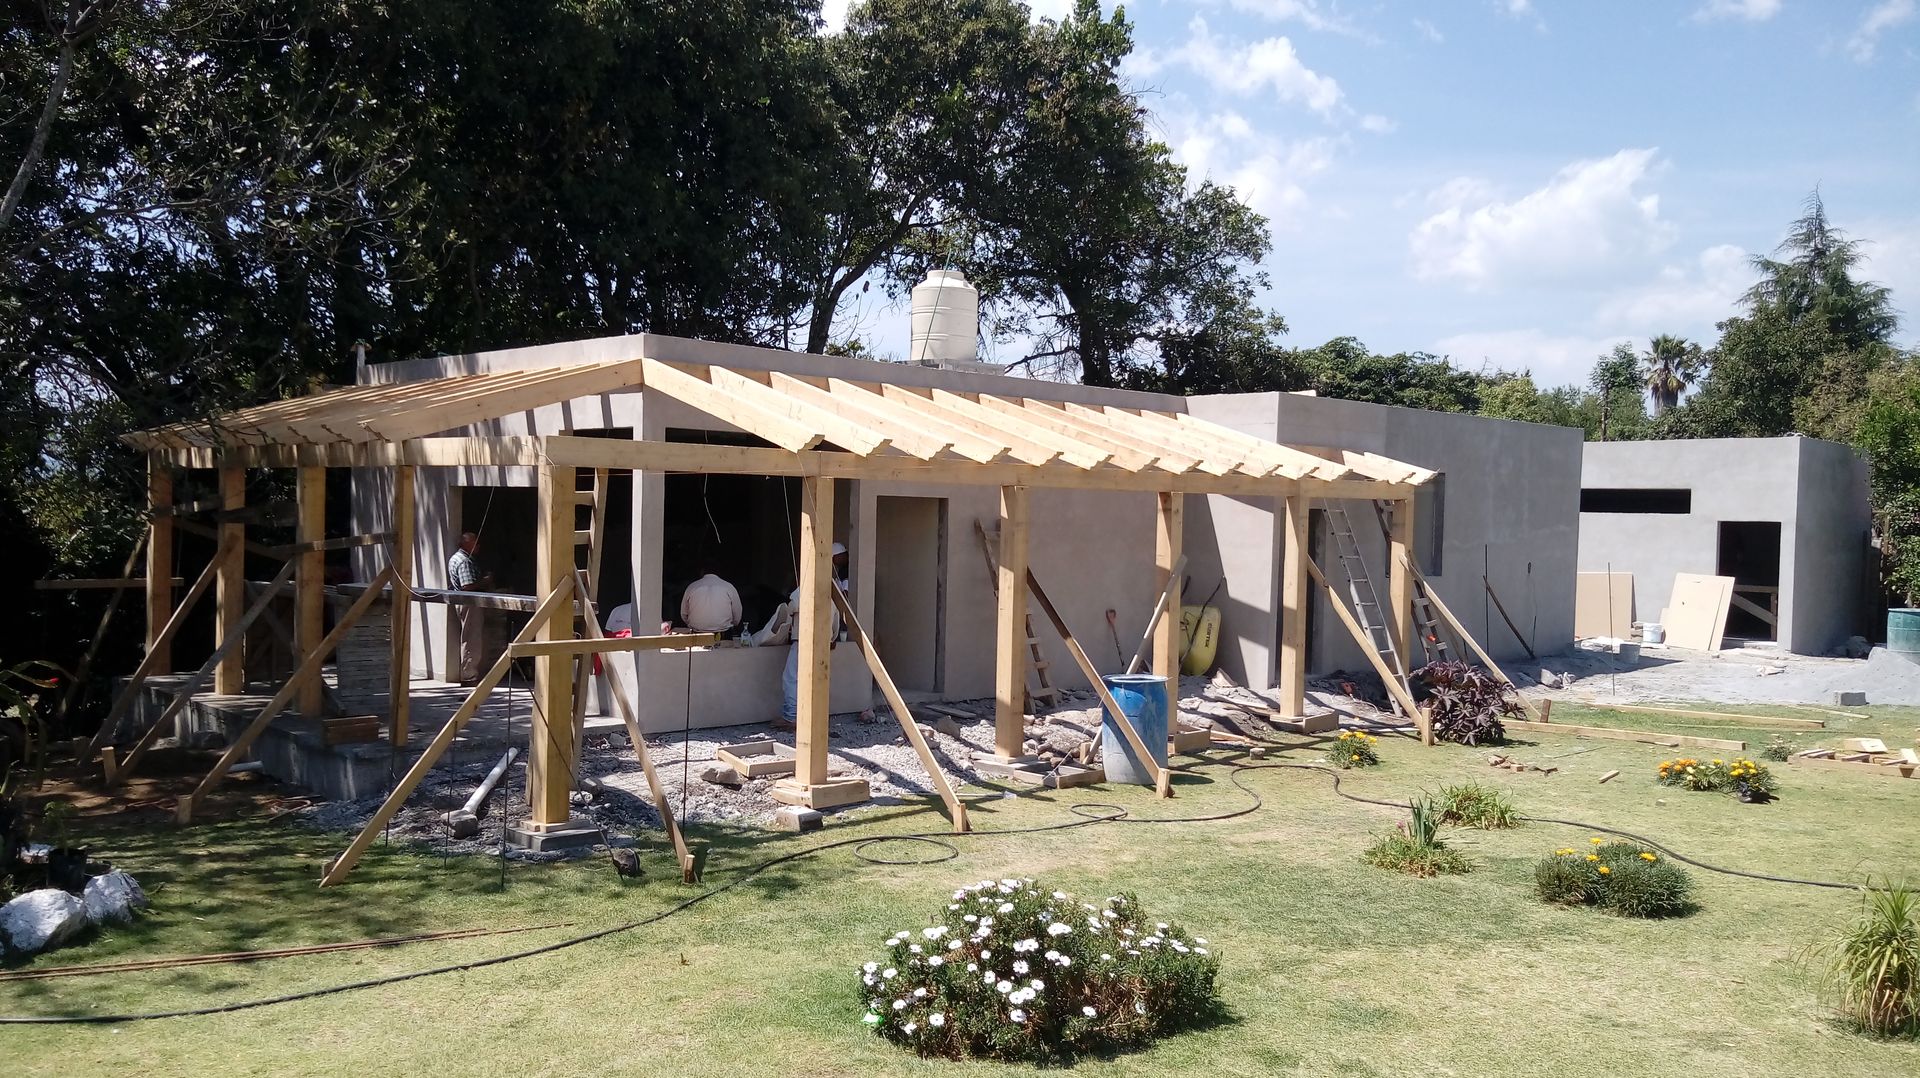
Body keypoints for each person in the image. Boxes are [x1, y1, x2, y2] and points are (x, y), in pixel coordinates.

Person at [782, 542, 848, 724]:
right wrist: (832, 638)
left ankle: (792, 717)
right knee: (818, 678)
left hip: (803, 639)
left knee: (792, 678)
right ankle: (815, 718)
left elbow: (792, 606)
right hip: (823, 641)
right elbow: (835, 617)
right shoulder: (833, 588)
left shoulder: (807, 583)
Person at [448, 531, 493, 685]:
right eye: (475, 543)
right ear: (466, 544)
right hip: (469, 603)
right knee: (471, 638)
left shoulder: (455, 558)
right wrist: (485, 581)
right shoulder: (465, 561)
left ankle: (469, 673)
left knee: (469, 636)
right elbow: (466, 586)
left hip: (463, 603)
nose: (478, 546)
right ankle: (469, 675)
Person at [680, 568, 743, 634]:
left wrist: (695, 624)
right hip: (723, 632)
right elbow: (737, 614)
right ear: (719, 573)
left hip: (697, 633)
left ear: (702, 572)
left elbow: (684, 614)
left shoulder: (692, 587)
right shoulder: (728, 586)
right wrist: (732, 625)